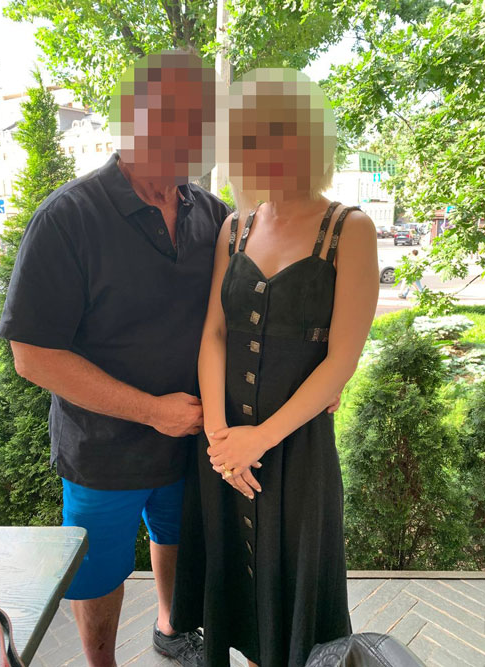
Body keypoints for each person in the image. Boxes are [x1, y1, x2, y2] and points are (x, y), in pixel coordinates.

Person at [0, 51, 227, 667]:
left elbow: (256, 305)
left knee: (175, 539)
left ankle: (172, 627)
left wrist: (321, 370)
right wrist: (152, 410)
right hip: (102, 450)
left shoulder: (214, 216)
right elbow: (33, 355)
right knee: (97, 573)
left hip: (191, 440)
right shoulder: (68, 218)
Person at [170, 69, 380, 667]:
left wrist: (258, 439)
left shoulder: (350, 229)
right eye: (251, 137)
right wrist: (220, 440)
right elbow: (214, 333)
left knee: (293, 605)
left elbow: (342, 360)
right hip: (223, 449)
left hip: (296, 452)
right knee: (232, 592)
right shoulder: (234, 228)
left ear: (311, 139)